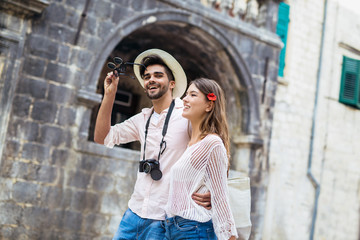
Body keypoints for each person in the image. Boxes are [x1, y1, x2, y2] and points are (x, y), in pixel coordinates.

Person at [94, 49, 211, 240]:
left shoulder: (187, 115)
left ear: (172, 83)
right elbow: (102, 137)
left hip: (164, 219)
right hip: (133, 213)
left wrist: (213, 192)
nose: (151, 80)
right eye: (147, 76)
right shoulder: (142, 118)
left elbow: (215, 151)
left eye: (158, 75)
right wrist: (109, 95)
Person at [164, 78, 238, 240]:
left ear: (209, 105)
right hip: (172, 228)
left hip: (194, 229)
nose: (185, 98)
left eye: (193, 94)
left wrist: (230, 236)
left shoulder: (212, 144)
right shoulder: (189, 141)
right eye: (186, 94)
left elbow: (220, 197)